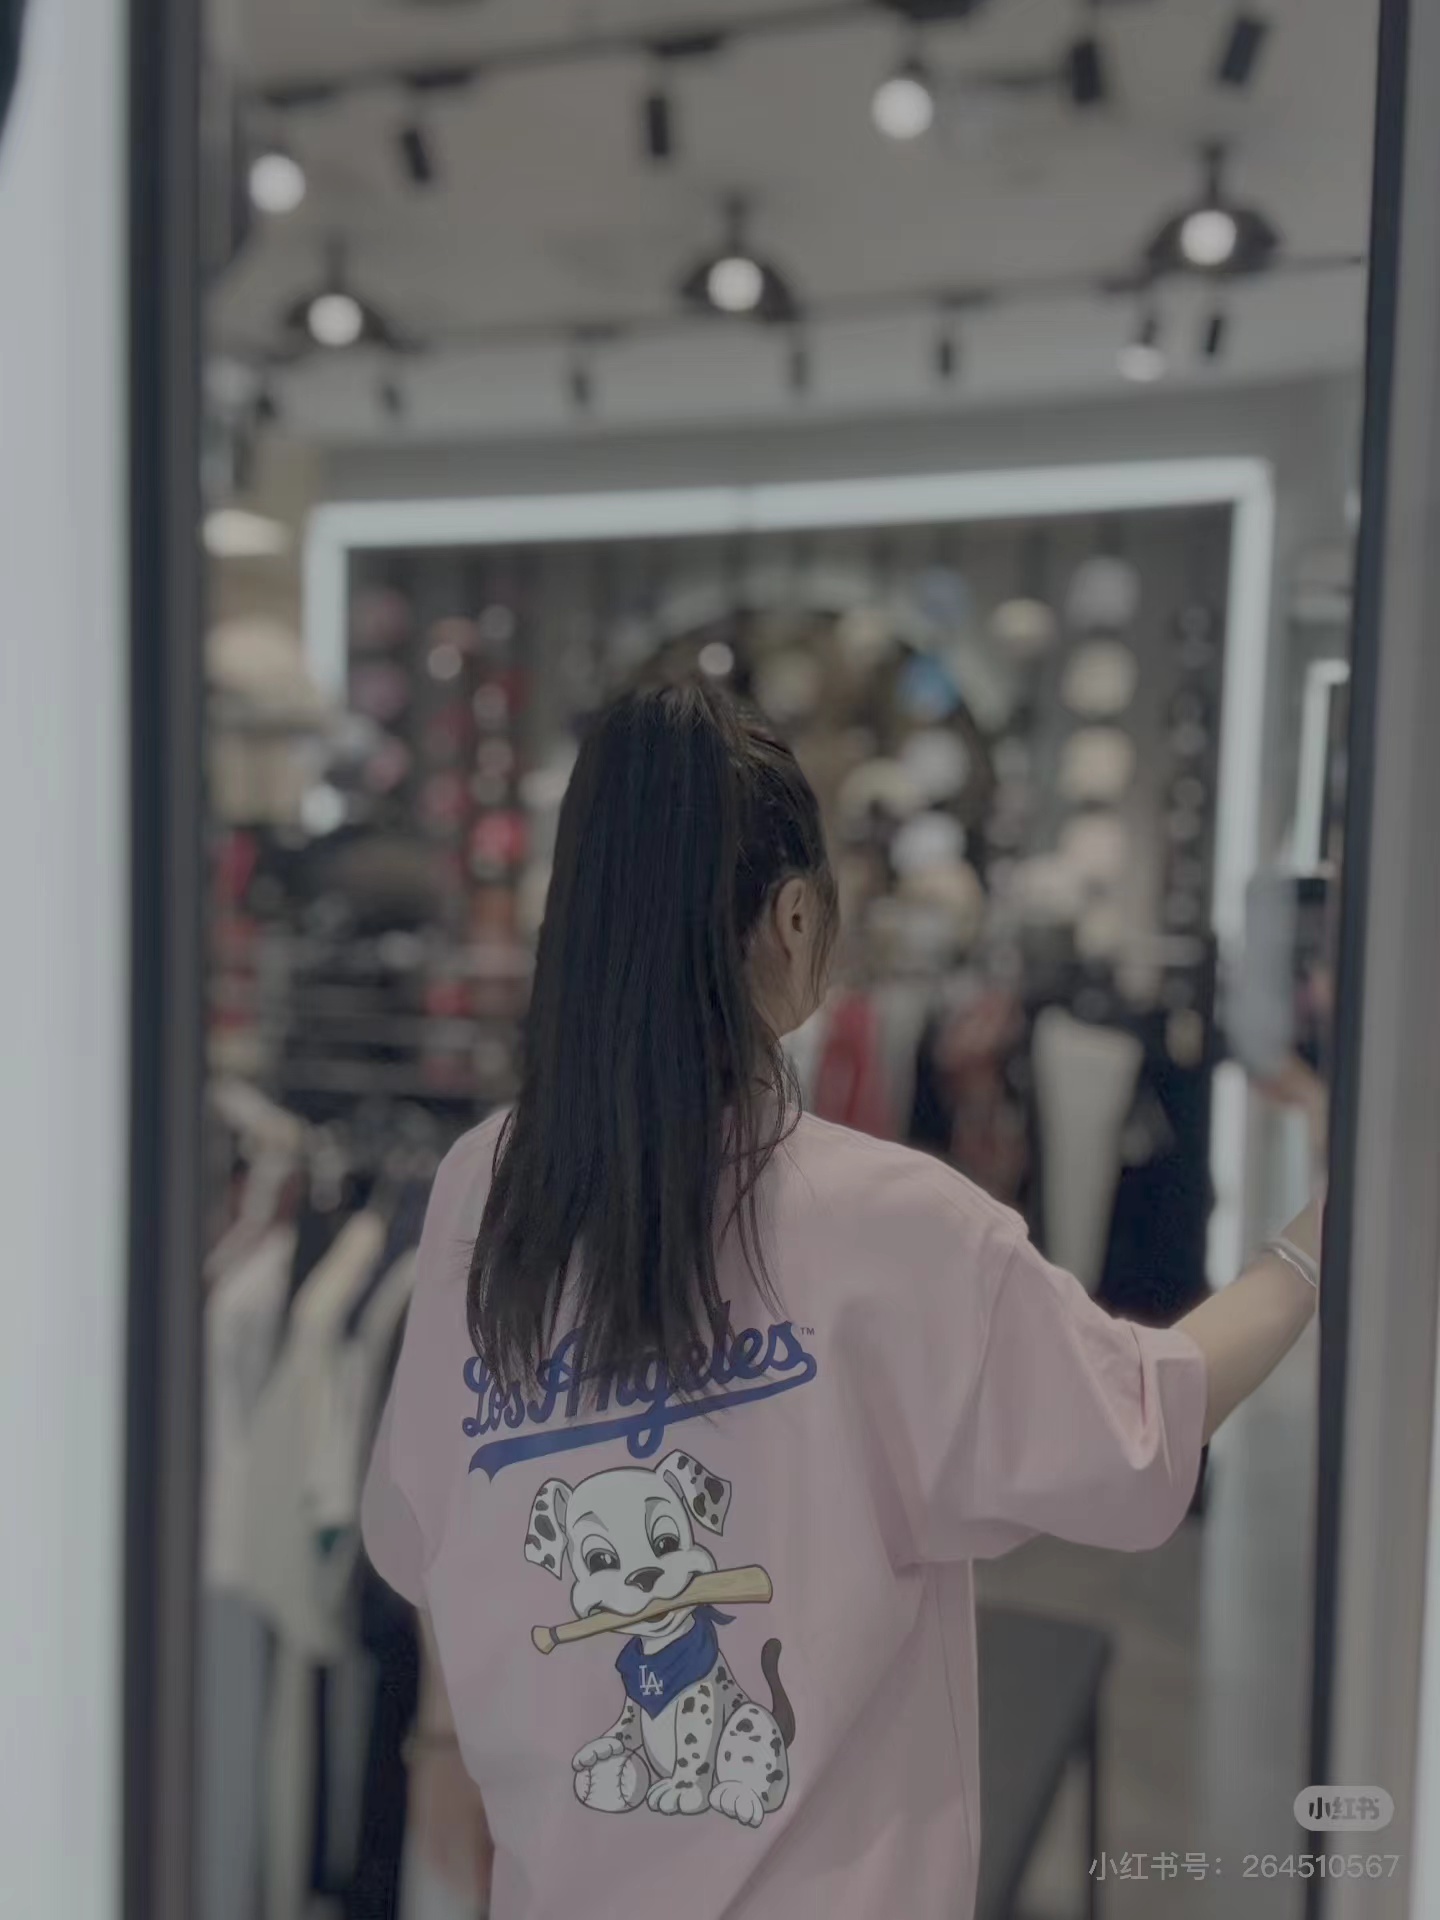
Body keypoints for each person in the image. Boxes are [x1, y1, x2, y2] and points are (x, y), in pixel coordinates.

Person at [363, 678, 1322, 1920]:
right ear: (796, 916)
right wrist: (1311, 1246)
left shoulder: (479, 1192)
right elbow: (1146, 1420)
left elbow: (429, 1530)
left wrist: (442, 1745)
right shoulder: (892, 1224)